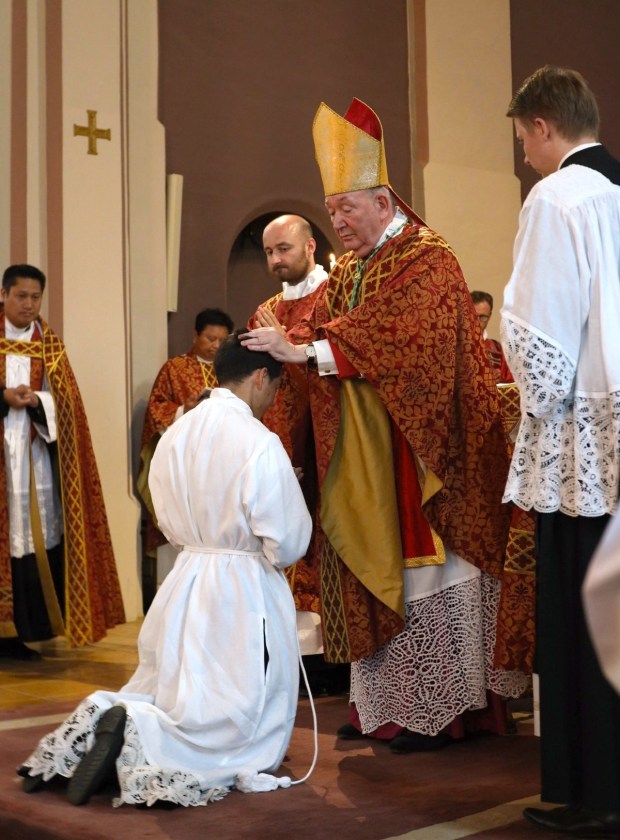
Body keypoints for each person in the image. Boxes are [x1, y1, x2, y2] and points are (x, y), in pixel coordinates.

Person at [242, 98, 528, 753]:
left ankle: (445, 712)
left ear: (382, 199)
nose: (337, 223)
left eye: (347, 210)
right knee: (377, 564)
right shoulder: (352, 270)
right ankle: (388, 707)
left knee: (431, 571)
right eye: (333, 211)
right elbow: (334, 328)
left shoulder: (428, 256)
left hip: (429, 452)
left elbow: (405, 338)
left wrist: (309, 350)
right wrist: (295, 345)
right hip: (370, 450)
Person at [18, 332, 312, 808]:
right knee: (233, 715)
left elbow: (164, 508)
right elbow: (288, 540)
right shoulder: (259, 441)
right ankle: (145, 733)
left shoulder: (177, 432)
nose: (273, 398)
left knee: (179, 686)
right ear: (262, 378)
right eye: (275, 387)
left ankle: (108, 713)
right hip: (239, 586)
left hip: (187, 575)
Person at [500, 65, 620, 836]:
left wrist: (530, 397)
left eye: (521, 141)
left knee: (583, 615)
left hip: (582, 446)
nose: (523, 158)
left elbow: (540, 342)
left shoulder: (558, 197)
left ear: (544, 126)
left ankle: (590, 790)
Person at [0, 264, 124, 659]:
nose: (29, 304)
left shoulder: (48, 345)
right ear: (3, 295)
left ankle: (23, 632)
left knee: (30, 540)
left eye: (36, 297)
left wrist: (40, 401)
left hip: (33, 464)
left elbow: (69, 405)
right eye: (21, 296)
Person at [248, 215, 345, 692]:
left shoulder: (336, 295)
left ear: (310, 246)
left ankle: (335, 658)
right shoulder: (265, 309)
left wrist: (295, 348)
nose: (275, 260)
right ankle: (294, 656)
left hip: (330, 445)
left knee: (327, 544)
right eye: (268, 253)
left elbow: (346, 362)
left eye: (283, 249)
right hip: (279, 450)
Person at [137, 307, 233, 582]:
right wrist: (184, 409)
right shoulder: (175, 368)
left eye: (221, 340)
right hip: (183, 465)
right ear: (195, 335)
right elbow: (156, 411)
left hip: (219, 465)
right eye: (210, 338)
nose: (215, 345)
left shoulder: (230, 371)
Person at [470, 291, 513, 383]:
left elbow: (510, 384)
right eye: (473, 316)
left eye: (482, 317)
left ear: (489, 316)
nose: (477, 321)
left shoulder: (499, 350)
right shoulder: (452, 345)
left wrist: (498, 379)